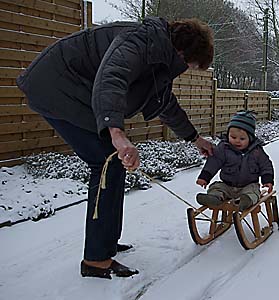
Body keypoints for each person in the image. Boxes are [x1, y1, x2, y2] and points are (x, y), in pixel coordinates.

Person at [16, 17, 214, 279]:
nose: (186, 70)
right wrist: (116, 133)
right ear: (181, 52)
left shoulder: (157, 57)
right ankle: (96, 259)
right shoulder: (138, 40)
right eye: (189, 65)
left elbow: (164, 102)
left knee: (113, 162)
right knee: (107, 160)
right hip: (55, 87)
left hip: (78, 93)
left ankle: (107, 243)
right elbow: (112, 78)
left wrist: (194, 139)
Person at [195, 111, 274, 212]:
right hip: (227, 185)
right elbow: (214, 162)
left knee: (253, 192)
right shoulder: (224, 149)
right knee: (217, 187)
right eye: (233, 137)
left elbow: (265, 165)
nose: (237, 141)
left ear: (250, 138)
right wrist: (204, 177)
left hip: (248, 185)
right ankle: (214, 198)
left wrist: (267, 180)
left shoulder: (256, 151)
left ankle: (245, 201)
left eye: (242, 138)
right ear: (228, 135)